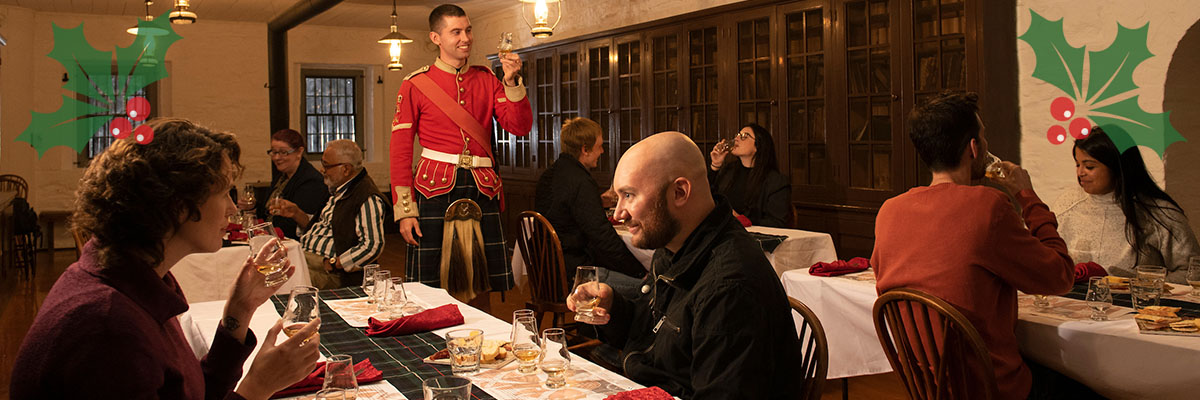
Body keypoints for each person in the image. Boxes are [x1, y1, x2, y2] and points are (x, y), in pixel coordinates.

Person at [11, 118, 320, 399]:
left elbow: (191, 390)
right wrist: (257, 388)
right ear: (178, 204)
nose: (232, 209)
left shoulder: (134, 278)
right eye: (224, 192)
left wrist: (239, 310)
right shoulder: (106, 327)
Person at [871, 92, 1079, 399]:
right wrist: (1027, 196)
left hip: (928, 388)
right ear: (973, 147)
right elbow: (1060, 276)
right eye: (983, 137)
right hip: (988, 388)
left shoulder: (889, 211)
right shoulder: (987, 206)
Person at [566, 131, 802, 398]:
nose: (618, 214)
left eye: (629, 195)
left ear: (679, 192)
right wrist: (614, 306)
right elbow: (653, 331)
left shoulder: (730, 287)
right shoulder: (676, 244)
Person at [390, 4, 532, 308]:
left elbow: (519, 127)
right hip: (433, 189)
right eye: (456, 32)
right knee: (432, 288)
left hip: (482, 188)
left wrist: (510, 81)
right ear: (436, 37)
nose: (465, 37)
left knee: (481, 280)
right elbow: (400, 150)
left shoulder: (487, 79)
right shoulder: (415, 83)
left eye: (468, 30)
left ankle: (482, 342)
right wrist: (405, 210)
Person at [1052, 128, 1200, 284]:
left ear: (1118, 167)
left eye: (1089, 167)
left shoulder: (1158, 212)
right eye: (1077, 164)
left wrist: (1143, 286)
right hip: (1072, 304)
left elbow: (1192, 271)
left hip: (1140, 305)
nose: (1080, 173)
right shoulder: (1067, 205)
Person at [535, 118, 645, 299]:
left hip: (547, 273)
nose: (602, 151)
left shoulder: (550, 174)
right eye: (599, 146)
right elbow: (602, 236)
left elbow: (561, 211)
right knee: (647, 290)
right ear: (585, 149)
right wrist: (639, 272)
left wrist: (596, 201)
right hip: (577, 275)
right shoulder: (581, 182)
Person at [273, 140, 387, 290]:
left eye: (327, 166)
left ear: (346, 169)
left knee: (278, 284)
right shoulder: (339, 190)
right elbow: (324, 227)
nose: (322, 170)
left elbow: (373, 245)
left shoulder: (366, 197)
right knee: (267, 272)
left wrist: (335, 263)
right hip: (308, 260)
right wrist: (296, 213)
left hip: (331, 273)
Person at [239, 129, 329, 240]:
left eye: (283, 152)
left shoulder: (311, 181)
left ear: (299, 152)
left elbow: (297, 225)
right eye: (274, 152)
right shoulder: (281, 177)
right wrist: (253, 207)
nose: (276, 158)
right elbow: (269, 214)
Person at [707, 123, 791, 227]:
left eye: (744, 136)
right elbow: (705, 196)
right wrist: (715, 165)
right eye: (738, 135)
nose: (736, 138)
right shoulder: (728, 170)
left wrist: (740, 220)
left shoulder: (776, 181)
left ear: (758, 146)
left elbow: (777, 223)